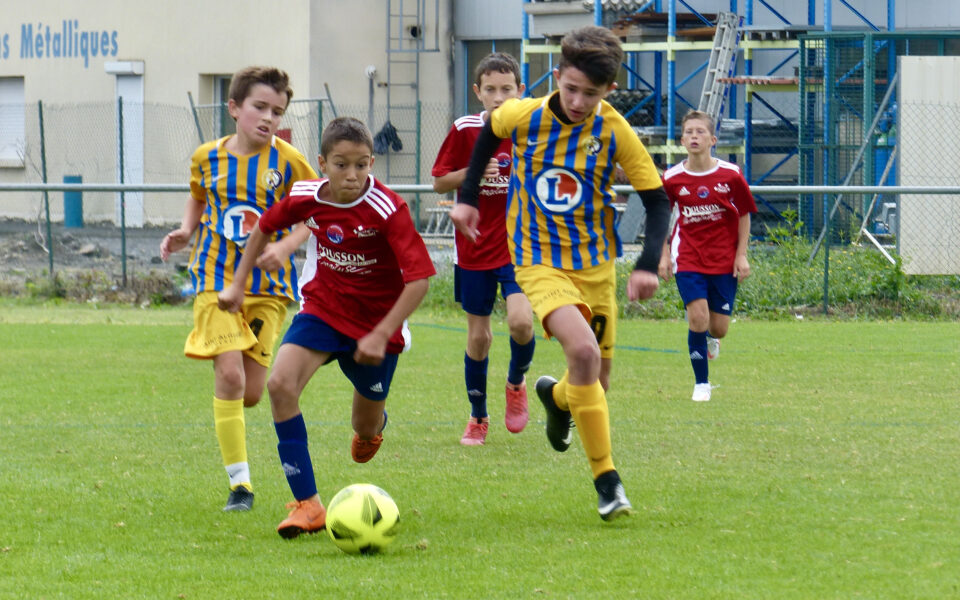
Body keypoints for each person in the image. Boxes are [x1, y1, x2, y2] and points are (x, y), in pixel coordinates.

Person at [450, 26, 672, 521]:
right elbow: (489, 133)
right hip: (537, 262)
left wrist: (646, 264)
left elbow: (658, 201)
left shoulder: (614, 130)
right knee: (583, 352)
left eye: (590, 94)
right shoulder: (524, 115)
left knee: (596, 380)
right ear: (556, 76)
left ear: (609, 90)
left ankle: (555, 396)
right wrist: (468, 199)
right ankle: (608, 482)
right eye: (570, 88)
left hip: (595, 268)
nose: (577, 102)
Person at [218, 116, 435, 538]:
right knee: (280, 385)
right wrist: (238, 284)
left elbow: (420, 280)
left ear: (372, 163)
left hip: (377, 327)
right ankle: (309, 505)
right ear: (322, 163)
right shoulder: (306, 197)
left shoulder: (388, 209)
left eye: (361, 165)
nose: (352, 175)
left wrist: (380, 333)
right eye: (341, 165)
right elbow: (264, 226)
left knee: (364, 428)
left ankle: (375, 428)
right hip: (323, 311)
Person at [160, 66, 317, 512]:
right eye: (259, 107)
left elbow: (313, 213)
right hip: (214, 279)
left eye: (277, 111)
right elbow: (198, 194)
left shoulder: (289, 162)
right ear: (233, 107)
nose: (269, 118)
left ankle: (239, 473)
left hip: (267, 288)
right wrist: (187, 230)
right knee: (229, 375)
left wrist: (284, 246)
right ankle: (240, 486)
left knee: (250, 393)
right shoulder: (206, 157)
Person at [432, 52, 536, 446]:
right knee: (478, 338)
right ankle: (478, 416)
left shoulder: (530, 129)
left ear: (520, 90)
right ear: (478, 92)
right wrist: (470, 173)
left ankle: (516, 382)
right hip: (474, 247)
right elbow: (439, 182)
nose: (499, 97)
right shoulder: (465, 130)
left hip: (518, 247)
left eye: (507, 89)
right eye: (490, 89)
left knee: (521, 323)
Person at [658, 110, 757, 402]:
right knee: (698, 317)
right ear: (681, 140)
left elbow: (744, 215)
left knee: (719, 328)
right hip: (688, 258)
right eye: (689, 132)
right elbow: (661, 217)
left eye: (700, 132)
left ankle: (712, 339)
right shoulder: (672, 178)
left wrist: (741, 255)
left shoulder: (731, 175)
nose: (694, 137)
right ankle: (701, 383)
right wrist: (663, 255)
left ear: (713, 140)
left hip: (724, 259)